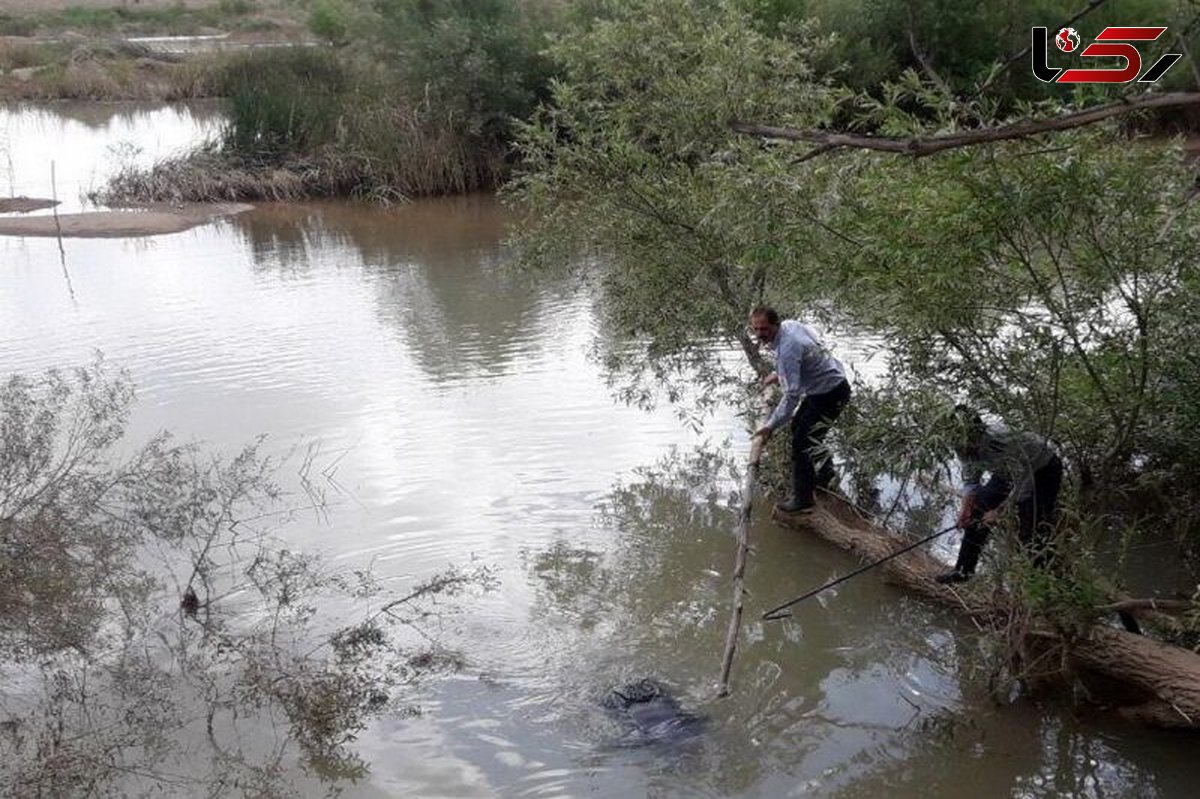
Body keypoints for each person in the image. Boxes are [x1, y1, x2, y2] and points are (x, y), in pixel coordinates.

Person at [937, 405, 1063, 584]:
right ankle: (962, 572)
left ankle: (1043, 583)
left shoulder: (1002, 441)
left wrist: (1000, 511)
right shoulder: (961, 444)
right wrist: (965, 511)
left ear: (978, 433)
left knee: (1031, 530)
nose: (961, 446)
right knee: (978, 509)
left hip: (1041, 469)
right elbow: (971, 478)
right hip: (1007, 469)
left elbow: (1023, 482)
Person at [749, 307, 852, 515]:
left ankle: (803, 499)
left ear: (775, 324)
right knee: (800, 427)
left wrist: (769, 426)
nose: (760, 334)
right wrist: (778, 373)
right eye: (756, 329)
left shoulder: (787, 348)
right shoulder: (790, 325)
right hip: (827, 387)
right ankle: (826, 477)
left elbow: (792, 396)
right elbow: (808, 350)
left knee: (801, 442)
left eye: (764, 329)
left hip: (830, 393)